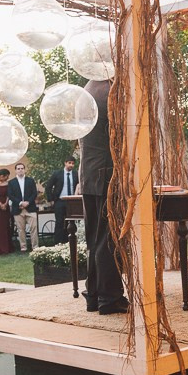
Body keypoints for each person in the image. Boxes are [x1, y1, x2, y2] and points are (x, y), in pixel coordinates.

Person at [79, 79, 128, 315]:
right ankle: (109, 298)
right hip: (106, 172)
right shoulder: (109, 92)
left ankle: (94, 295)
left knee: (94, 238)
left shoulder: (88, 90)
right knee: (108, 239)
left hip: (88, 173)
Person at [44, 156, 79, 245]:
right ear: (65, 163)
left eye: (73, 163)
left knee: (71, 222)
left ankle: (69, 241)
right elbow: (48, 186)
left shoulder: (75, 174)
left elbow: (79, 185)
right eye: (69, 163)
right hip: (59, 201)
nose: (71, 165)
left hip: (71, 202)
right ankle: (58, 243)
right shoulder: (57, 174)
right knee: (59, 222)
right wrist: (51, 199)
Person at [8, 162, 39, 252]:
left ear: (24, 170)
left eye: (22, 168)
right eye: (18, 168)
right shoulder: (11, 182)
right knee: (21, 229)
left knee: (34, 228)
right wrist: (20, 203)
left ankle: (35, 247)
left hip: (30, 208)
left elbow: (34, 193)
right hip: (18, 209)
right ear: (15, 170)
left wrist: (28, 202)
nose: (20, 170)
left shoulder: (30, 180)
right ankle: (23, 247)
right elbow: (10, 195)